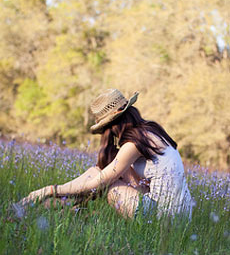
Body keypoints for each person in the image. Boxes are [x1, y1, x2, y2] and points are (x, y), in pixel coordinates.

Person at [18, 89, 193, 220]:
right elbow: (143, 186)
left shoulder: (134, 144)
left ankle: (41, 204)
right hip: (179, 214)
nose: (109, 134)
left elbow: (96, 183)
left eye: (106, 128)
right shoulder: (150, 132)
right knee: (98, 175)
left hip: (165, 216)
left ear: (114, 122)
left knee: (105, 184)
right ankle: (55, 208)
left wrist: (49, 189)